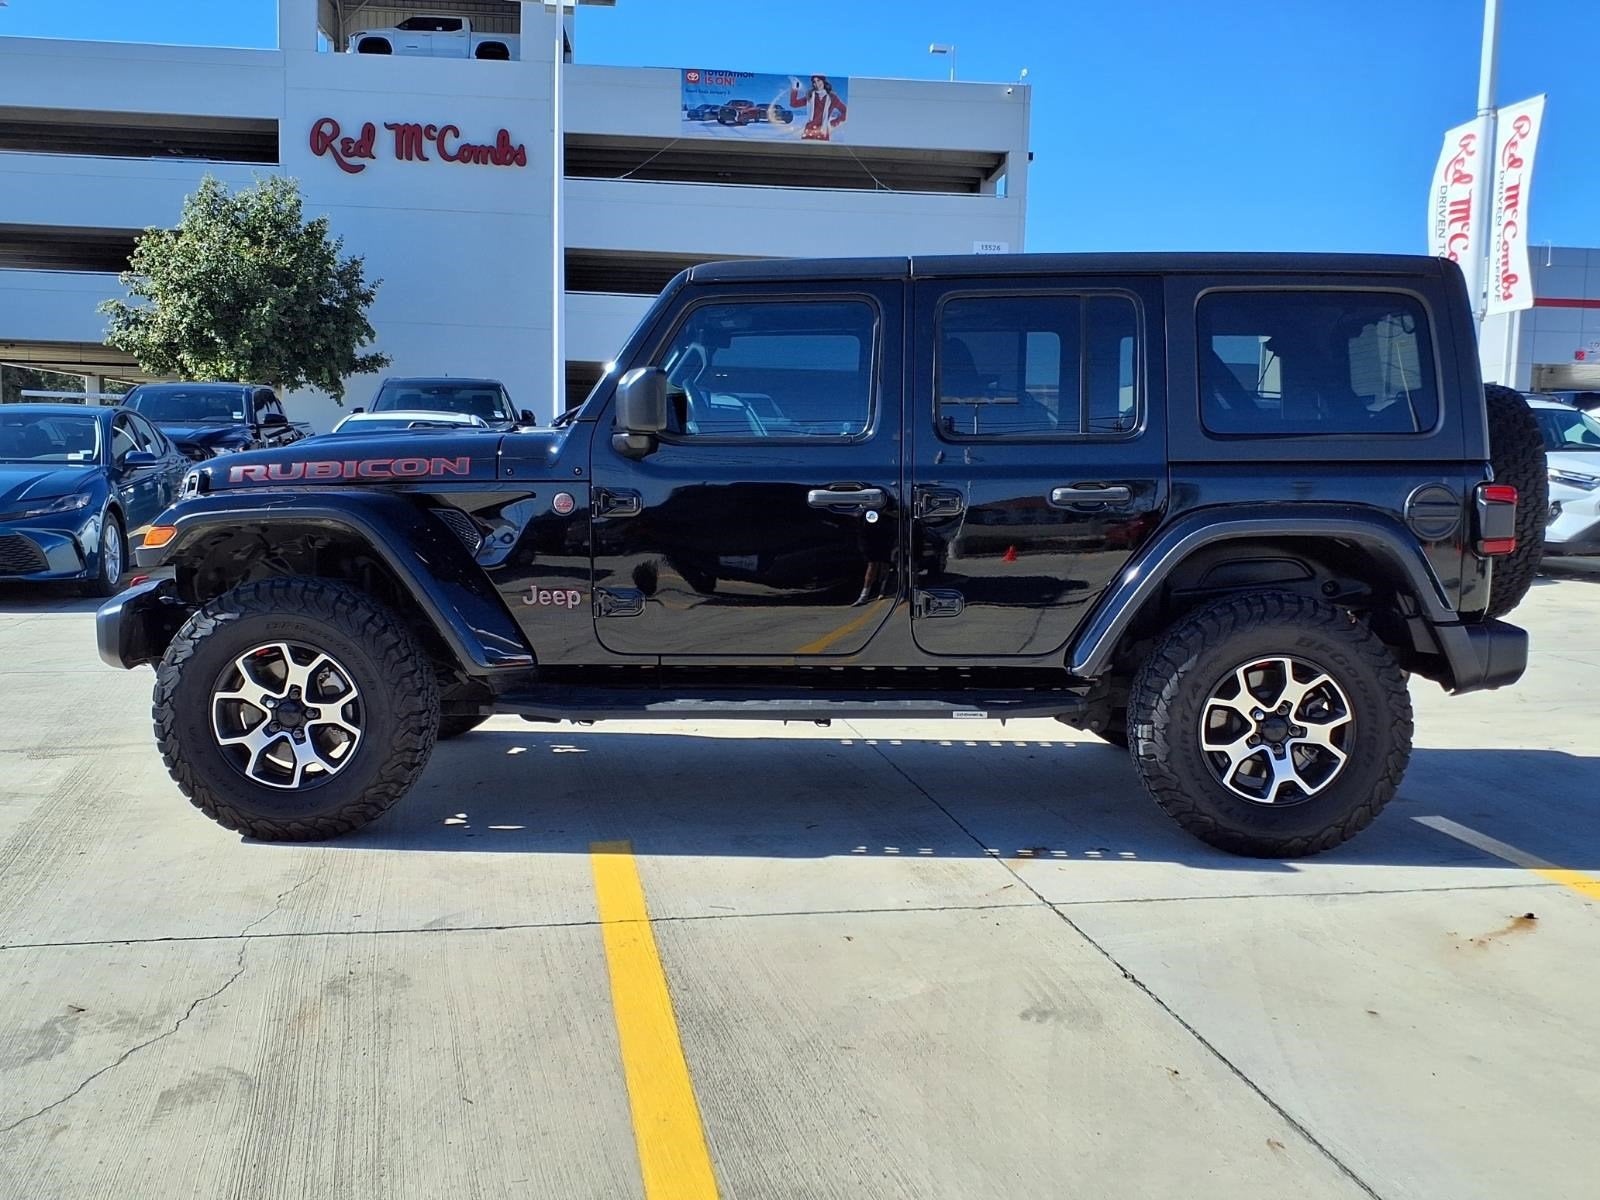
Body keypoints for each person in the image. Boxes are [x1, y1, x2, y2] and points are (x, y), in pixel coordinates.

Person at [789, 74, 847, 141]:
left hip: (823, 132)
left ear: (823, 81)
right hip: (809, 131)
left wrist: (836, 121)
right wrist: (795, 88)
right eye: (814, 82)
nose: (816, 83)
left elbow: (846, 112)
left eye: (818, 80)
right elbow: (793, 104)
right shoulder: (810, 96)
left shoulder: (832, 98)